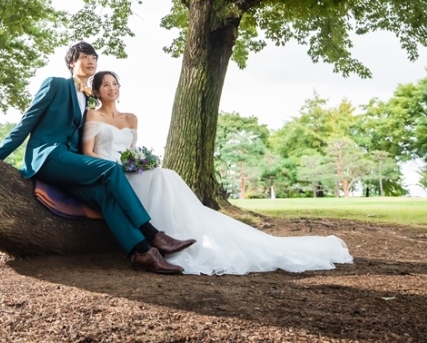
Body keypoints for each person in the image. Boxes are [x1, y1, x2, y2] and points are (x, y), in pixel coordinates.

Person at [82, 70, 354, 276]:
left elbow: (133, 151)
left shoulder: (131, 118)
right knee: (163, 178)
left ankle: (173, 237)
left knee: (166, 175)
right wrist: (114, 168)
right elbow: (89, 152)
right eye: (105, 84)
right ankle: (155, 240)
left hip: (131, 170)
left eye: (115, 84)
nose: (112, 88)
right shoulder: (93, 116)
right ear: (96, 90)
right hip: (110, 173)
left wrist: (141, 162)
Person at [0, 42, 196, 274]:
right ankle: (153, 234)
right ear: (71, 62)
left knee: (103, 195)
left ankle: (142, 253)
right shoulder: (55, 84)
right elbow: (26, 122)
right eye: (84, 57)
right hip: (48, 157)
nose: (91, 61)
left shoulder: (88, 100)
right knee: (110, 169)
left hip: (70, 163)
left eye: (94, 57)